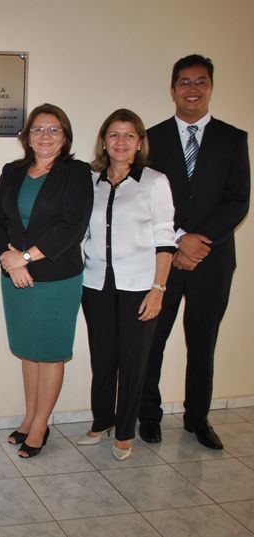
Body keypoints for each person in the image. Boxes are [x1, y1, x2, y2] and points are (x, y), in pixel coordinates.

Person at [139, 54, 250, 450]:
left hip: (213, 260)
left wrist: (200, 242)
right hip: (165, 259)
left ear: (210, 88)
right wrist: (180, 237)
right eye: (184, 82)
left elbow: (238, 201)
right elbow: (146, 202)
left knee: (203, 342)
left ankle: (197, 419)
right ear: (172, 90)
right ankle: (148, 416)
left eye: (200, 82)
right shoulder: (151, 138)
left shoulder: (233, 138)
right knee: (153, 340)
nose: (192, 89)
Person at [0, 103, 93, 458]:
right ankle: (29, 416)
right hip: (15, 276)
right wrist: (7, 258)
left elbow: (72, 227)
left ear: (65, 137)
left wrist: (26, 257)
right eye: (38, 129)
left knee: (50, 354)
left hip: (56, 277)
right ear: (27, 136)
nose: (45, 136)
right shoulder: (12, 171)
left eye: (54, 129)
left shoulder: (76, 173)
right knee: (29, 353)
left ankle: (42, 424)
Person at [78, 109, 176, 461]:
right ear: (104, 140)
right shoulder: (90, 180)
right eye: (114, 135)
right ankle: (101, 420)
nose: (121, 142)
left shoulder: (154, 182)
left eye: (129, 135)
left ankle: (124, 431)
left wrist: (158, 289)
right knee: (102, 358)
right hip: (96, 283)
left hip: (139, 284)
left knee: (133, 360)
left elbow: (166, 241)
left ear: (139, 142)